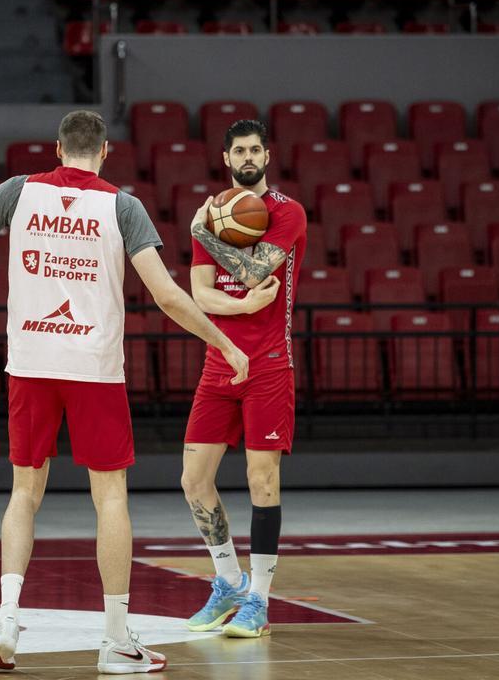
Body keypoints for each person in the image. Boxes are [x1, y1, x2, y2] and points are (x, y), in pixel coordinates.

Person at [0, 110, 250, 675]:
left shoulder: (18, 191)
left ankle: (6, 620)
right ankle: (116, 639)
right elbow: (167, 295)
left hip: (31, 362)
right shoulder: (122, 206)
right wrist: (223, 341)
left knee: (24, 492)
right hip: (94, 367)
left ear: (57, 149)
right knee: (111, 498)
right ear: (104, 153)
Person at [180, 119, 307, 638]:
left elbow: (257, 272)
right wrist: (241, 304)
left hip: (269, 364)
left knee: (262, 479)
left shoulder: (286, 211)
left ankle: (259, 600)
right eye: (239, 151)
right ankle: (230, 581)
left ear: (267, 156)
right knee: (193, 480)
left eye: (255, 149)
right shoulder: (213, 211)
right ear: (226, 158)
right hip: (219, 361)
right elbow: (200, 294)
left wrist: (202, 234)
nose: (248, 157)